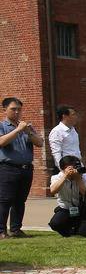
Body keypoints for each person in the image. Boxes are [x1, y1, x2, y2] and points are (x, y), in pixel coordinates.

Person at [0, 97, 43, 238]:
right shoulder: (2, 126)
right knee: (5, 200)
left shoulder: (27, 127)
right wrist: (18, 130)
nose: (17, 112)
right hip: (8, 168)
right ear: (4, 109)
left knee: (20, 200)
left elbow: (40, 143)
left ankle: (16, 229)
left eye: (19, 109)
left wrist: (28, 132)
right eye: (13, 109)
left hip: (26, 169)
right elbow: (1, 142)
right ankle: (1, 231)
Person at [48, 155, 86, 237]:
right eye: (71, 168)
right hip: (65, 209)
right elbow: (53, 191)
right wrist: (65, 176)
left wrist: (78, 179)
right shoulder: (57, 177)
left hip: (83, 209)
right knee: (55, 223)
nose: (74, 170)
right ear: (63, 169)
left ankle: (80, 228)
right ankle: (72, 230)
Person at [48, 104, 81, 170]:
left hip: (77, 166)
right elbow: (56, 153)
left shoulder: (73, 130)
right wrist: (63, 170)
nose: (76, 117)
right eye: (73, 114)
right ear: (65, 116)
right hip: (66, 168)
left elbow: (76, 150)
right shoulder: (57, 131)